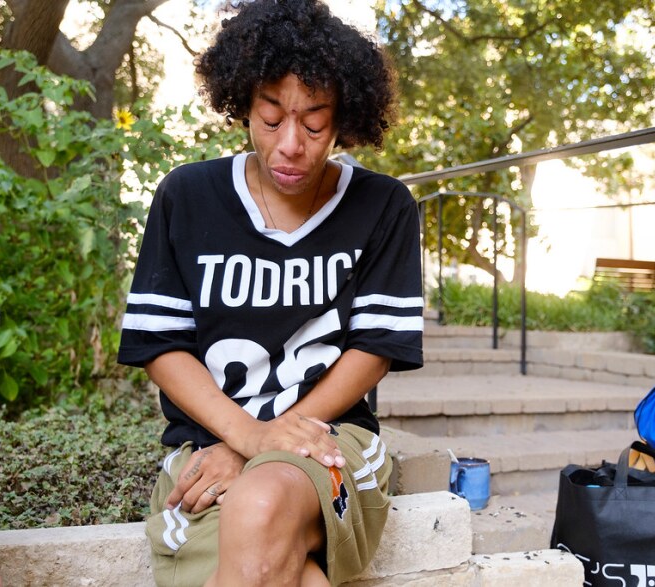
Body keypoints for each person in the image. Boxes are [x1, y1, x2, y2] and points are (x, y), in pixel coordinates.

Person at [117, 1, 424, 585]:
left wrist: (258, 446)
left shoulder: (384, 206)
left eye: (314, 123)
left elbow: (372, 350)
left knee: (260, 504)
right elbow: (160, 346)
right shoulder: (187, 195)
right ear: (242, 104)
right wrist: (246, 434)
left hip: (331, 442)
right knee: (289, 570)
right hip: (205, 450)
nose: (290, 143)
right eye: (270, 115)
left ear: (344, 120)